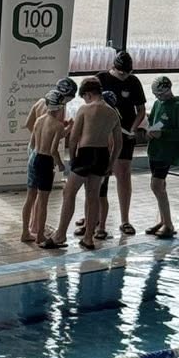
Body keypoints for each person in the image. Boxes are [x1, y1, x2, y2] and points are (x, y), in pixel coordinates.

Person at [46, 77, 122, 252]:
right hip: (102, 155)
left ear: (88, 94)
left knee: (69, 192)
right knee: (93, 196)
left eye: (84, 97)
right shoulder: (112, 113)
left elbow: (74, 138)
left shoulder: (85, 109)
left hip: (86, 154)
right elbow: (118, 143)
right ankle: (88, 238)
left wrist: (73, 159)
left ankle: (60, 235)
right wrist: (110, 164)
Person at [99, 50, 148, 235]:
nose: (124, 76)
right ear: (113, 67)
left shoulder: (133, 82)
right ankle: (93, 217)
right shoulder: (101, 79)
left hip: (125, 134)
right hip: (103, 134)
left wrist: (133, 129)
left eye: (127, 73)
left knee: (124, 174)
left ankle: (125, 219)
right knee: (98, 176)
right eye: (121, 73)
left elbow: (141, 110)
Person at [21, 88, 67, 246]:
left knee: (30, 198)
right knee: (43, 200)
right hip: (46, 161)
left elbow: (33, 143)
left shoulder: (39, 120)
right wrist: (60, 164)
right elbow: (53, 150)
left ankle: (25, 232)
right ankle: (40, 235)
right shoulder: (58, 126)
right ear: (59, 108)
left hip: (35, 158)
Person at [145, 75, 179, 239]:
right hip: (155, 150)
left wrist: (162, 134)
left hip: (167, 151)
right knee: (159, 186)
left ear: (169, 90)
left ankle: (169, 224)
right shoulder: (158, 104)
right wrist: (149, 131)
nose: (159, 98)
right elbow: (152, 122)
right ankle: (163, 220)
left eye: (161, 95)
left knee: (156, 186)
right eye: (156, 95)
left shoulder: (178, 107)